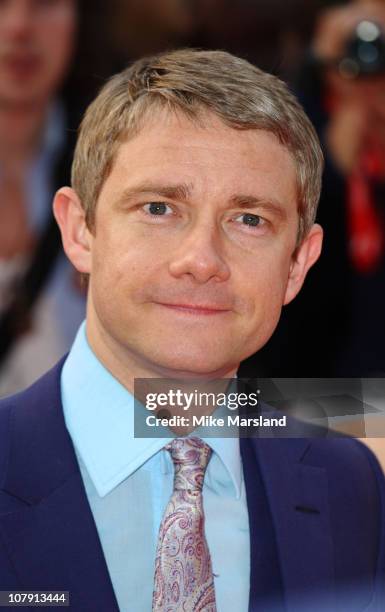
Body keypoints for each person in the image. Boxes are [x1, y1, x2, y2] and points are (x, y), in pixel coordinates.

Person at [0, 49, 384, 612]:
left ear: (298, 263)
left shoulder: (351, 486)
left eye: (249, 220)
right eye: (159, 208)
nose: (202, 259)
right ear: (80, 230)